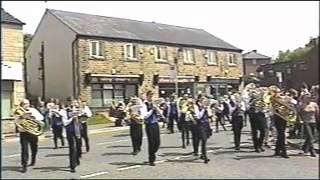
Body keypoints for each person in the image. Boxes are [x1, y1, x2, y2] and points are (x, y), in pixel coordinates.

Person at [14, 99, 44, 173]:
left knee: (34, 147)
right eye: (25, 103)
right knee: (24, 149)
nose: (27, 105)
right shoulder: (18, 111)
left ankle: (33, 159)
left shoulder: (33, 110)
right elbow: (16, 122)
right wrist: (22, 117)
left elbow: (41, 117)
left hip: (33, 132)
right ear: (21, 104)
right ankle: (24, 166)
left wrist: (33, 117)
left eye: (28, 103)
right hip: (23, 132)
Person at [142, 91, 161, 166]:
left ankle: (153, 153)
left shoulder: (155, 104)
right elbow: (145, 116)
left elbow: (160, 114)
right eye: (150, 96)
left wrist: (157, 108)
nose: (151, 97)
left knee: (157, 142)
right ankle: (151, 159)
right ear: (147, 96)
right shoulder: (144, 105)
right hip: (149, 124)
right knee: (151, 142)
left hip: (155, 123)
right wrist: (152, 110)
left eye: (152, 96)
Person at [64, 100, 82, 173]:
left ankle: (77, 159)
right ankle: (72, 166)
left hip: (78, 129)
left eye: (75, 103)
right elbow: (65, 122)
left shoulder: (80, 109)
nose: (73, 105)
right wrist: (72, 118)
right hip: (70, 131)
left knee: (78, 146)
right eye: (72, 104)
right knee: (72, 148)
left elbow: (85, 118)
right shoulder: (65, 111)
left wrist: (82, 115)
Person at [298, 93, 319, 157]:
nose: (308, 99)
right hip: (306, 122)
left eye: (309, 98)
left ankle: (304, 148)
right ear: (304, 99)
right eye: (307, 98)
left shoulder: (314, 104)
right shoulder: (301, 105)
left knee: (310, 137)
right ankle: (312, 151)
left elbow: (317, 113)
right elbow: (298, 114)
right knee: (310, 137)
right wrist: (300, 120)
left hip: (313, 122)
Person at [194, 96, 211, 164]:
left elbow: (210, 115)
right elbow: (198, 116)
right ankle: (205, 156)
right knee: (203, 139)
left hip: (206, 124)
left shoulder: (206, 106)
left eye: (205, 100)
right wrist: (203, 109)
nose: (204, 101)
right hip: (199, 125)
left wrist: (208, 109)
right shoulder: (196, 106)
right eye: (203, 100)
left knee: (205, 140)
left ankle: (202, 154)